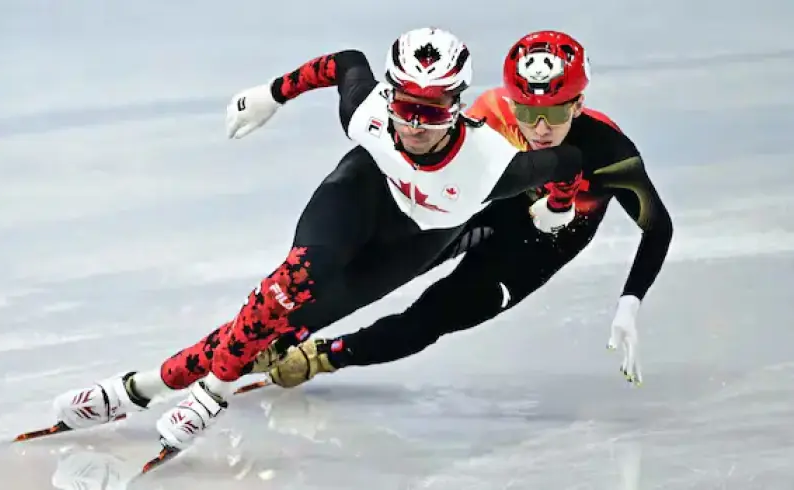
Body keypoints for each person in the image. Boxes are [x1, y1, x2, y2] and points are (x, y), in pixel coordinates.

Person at [41, 27, 584, 465]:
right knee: (293, 282)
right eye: (406, 106)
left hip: (414, 241)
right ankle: (208, 397)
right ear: (390, 95)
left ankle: (137, 388)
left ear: (458, 104)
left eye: (434, 111)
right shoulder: (368, 113)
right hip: (362, 191)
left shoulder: (492, 164)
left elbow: (566, 164)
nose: (415, 125)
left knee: (282, 329)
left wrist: (558, 205)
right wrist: (270, 95)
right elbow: (344, 61)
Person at [256, 30, 673, 391]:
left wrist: (630, 301)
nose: (541, 128)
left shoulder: (611, 154)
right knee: (379, 269)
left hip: (539, 246)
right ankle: (275, 335)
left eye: (555, 113)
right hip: (485, 208)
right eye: (528, 113)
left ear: (578, 105)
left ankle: (324, 357)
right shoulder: (491, 114)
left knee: (434, 316)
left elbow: (657, 227)